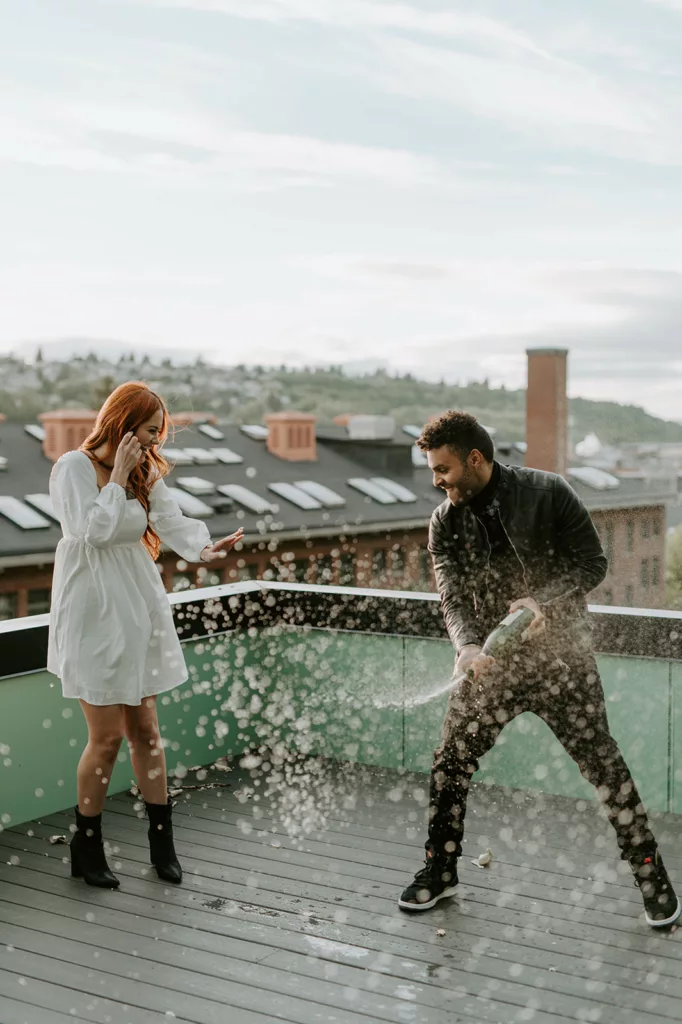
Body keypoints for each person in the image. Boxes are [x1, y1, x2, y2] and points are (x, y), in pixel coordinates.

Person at [398, 411, 680, 929]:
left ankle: (652, 879)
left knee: (604, 767)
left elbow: (593, 563)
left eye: (443, 469)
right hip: (491, 668)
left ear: (475, 459)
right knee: (450, 763)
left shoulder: (548, 492)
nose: (437, 480)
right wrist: (466, 646)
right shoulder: (445, 521)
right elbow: (451, 595)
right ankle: (441, 870)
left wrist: (541, 601)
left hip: (562, 659)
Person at [48, 381, 243, 889]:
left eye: (159, 432)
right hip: (92, 612)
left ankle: (162, 843)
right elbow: (92, 531)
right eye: (151, 430)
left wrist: (204, 549)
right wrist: (115, 476)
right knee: (107, 737)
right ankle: (86, 845)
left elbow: (169, 520)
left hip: (137, 606)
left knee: (147, 733)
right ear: (123, 421)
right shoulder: (73, 467)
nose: (155, 441)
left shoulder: (145, 471)